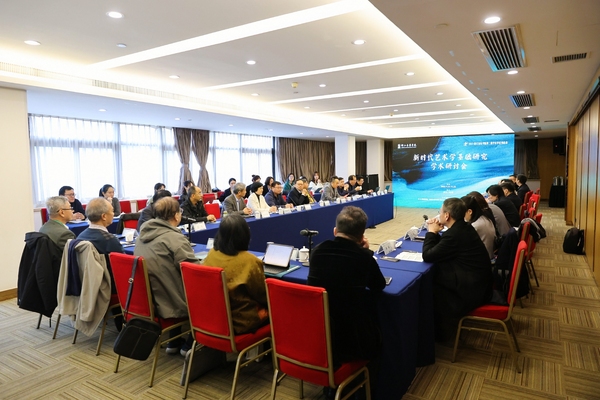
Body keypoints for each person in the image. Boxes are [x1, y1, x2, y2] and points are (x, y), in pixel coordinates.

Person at [308, 206, 385, 381]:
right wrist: (365, 251)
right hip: (351, 341)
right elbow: (378, 285)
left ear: (335, 231)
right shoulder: (363, 257)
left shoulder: (318, 251)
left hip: (318, 334)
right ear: (362, 235)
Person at [134, 197, 199, 354]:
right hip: (173, 301)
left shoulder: (141, 236)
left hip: (152, 300)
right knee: (210, 290)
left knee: (171, 279)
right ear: (176, 215)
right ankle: (190, 344)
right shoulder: (175, 238)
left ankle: (174, 341)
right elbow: (194, 272)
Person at [422, 198, 493, 341]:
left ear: (447, 215)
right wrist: (436, 233)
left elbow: (428, 255)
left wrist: (431, 233)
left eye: (440, 212)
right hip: (480, 282)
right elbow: (443, 249)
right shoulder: (464, 227)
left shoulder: (455, 234)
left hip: (472, 291)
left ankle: (437, 336)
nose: (439, 215)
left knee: (427, 287)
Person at [202, 214, 269, 334]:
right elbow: (262, 295)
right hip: (239, 322)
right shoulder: (250, 261)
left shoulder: (212, 254)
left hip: (212, 318)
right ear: (244, 235)